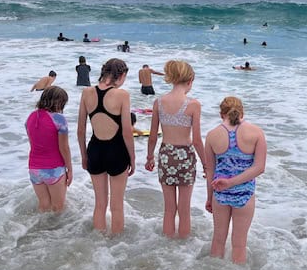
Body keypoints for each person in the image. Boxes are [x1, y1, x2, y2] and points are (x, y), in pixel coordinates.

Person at [145, 60, 205, 239]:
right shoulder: (193, 104)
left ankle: (167, 245)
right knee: (184, 210)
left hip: (166, 155)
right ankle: (183, 251)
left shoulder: (159, 102)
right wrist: (206, 164)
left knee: (169, 209)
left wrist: (150, 157)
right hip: (185, 156)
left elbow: (153, 136)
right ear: (190, 80)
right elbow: (196, 141)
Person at [205, 96, 267, 264]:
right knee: (239, 245)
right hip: (245, 195)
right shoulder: (256, 133)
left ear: (221, 114)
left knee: (218, 241)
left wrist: (209, 197)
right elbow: (259, 167)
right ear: (242, 112)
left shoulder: (212, 135)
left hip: (220, 195)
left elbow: (209, 170)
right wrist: (232, 182)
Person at [77, 58, 135, 235]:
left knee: (99, 204)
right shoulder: (122, 95)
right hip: (116, 152)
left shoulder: (87, 92)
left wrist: (84, 156)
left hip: (94, 150)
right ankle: (115, 247)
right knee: (116, 205)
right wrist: (132, 158)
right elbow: (126, 131)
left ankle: (98, 243)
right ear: (122, 75)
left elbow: (80, 129)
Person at [25, 86, 73, 213]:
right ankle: (56, 233)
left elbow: (32, 144)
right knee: (58, 208)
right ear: (58, 102)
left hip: (34, 169)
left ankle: (41, 232)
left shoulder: (30, 118)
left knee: (44, 206)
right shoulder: (59, 120)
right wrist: (70, 169)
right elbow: (64, 148)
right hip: (54, 168)